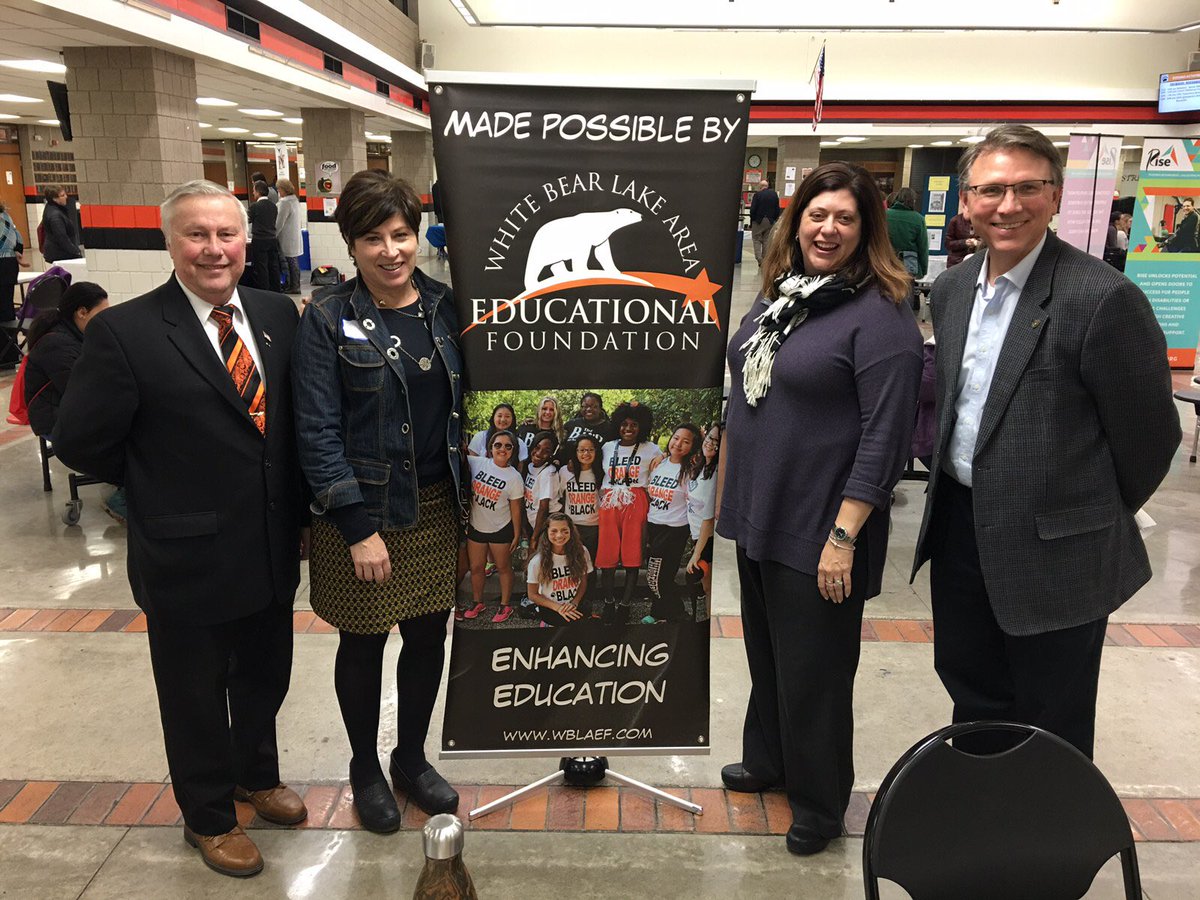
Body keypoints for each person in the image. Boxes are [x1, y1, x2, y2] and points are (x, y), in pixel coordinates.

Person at [52, 180, 308, 878]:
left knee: (265, 675)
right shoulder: (125, 331)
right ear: (170, 242)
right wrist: (155, 480)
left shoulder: (276, 315)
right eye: (197, 235)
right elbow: (81, 440)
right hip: (184, 551)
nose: (214, 249)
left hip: (270, 542)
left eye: (226, 234)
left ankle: (256, 774)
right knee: (194, 691)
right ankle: (208, 815)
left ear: (246, 240)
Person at [911, 125, 1181, 761]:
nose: (1008, 206)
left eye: (1027, 188)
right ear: (967, 201)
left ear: (1056, 196)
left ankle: (1047, 856)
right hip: (959, 526)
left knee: (1049, 715)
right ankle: (985, 830)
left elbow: (1150, 437)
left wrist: (1080, 511)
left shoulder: (1102, 298)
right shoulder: (952, 289)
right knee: (973, 693)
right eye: (992, 190)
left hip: (1057, 550)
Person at [718, 161, 923, 856]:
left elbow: (884, 442)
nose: (827, 228)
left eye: (844, 218)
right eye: (816, 213)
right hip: (761, 513)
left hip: (822, 526)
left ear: (867, 231)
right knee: (771, 657)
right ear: (795, 219)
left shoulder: (881, 315)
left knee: (816, 676)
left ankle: (820, 801)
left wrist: (842, 538)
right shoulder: (783, 296)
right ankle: (772, 760)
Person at [293, 169, 464, 835]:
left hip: (437, 505)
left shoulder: (446, 306)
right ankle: (365, 766)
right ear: (351, 244)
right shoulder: (329, 318)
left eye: (402, 235)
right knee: (362, 642)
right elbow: (316, 428)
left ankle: (411, 759)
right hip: (359, 516)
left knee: (426, 638)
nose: (391, 251)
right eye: (373, 239)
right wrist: (357, 527)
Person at [22, 282, 127, 521]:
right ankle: (121, 495)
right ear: (81, 312)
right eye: (102, 314)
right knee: (135, 427)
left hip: (68, 406)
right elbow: (82, 392)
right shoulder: (57, 344)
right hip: (55, 416)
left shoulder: (72, 334)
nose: (106, 321)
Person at [595, 401, 662, 624]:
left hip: (635, 500)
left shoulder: (651, 448)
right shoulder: (607, 446)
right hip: (610, 501)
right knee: (607, 555)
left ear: (642, 426)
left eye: (634, 424)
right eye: (624, 424)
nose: (629, 428)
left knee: (633, 556)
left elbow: (664, 468)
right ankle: (608, 602)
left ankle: (624, 605)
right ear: (617, 425)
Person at [463, 429, 524, 623]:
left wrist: (516, 534)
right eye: (498, 445)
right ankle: (477, 602)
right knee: (477, 567)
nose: (502, 449)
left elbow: (516, 509)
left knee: (503, 567)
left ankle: (505, 606)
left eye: (508, 446)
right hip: (476, 526)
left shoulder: (514, 477)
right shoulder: (477, 463)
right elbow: (457, 457)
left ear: (513, 450)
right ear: (490, 447)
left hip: (501, 528)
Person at [643, 423, 702, 624]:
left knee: (656, 576)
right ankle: (659, 613)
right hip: (653, 525)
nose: (678, 444)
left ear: (692, 446)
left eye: (686, 441)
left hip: (675, 529)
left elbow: (695, 502)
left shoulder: (691, 471)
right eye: (676, 438)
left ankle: (678, 615)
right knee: (660, 574)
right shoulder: (659, 463)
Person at [554, 435, 604, 614]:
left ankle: (586, 604)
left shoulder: (600, 473)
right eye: (582, 450)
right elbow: (559, 496)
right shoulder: (565, 472)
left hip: (594, 527)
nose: (586, 453)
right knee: (570, 565)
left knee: (590, 568)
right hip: (571, 528)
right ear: (575, 452)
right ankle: (569, 602)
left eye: (590, 449)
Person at [527, 513, 593, 627]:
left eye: (564, 530)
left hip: (575, 605)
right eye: (554, 531)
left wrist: (574, 602)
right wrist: (558, 608)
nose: (559, 535)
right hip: (551, 608)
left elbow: (583, 581)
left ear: (571, 531)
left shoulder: (582, 552)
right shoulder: (537, 561)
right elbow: (532, 594)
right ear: (546, 532)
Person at [684, 422, 722, 614]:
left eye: (717, 441)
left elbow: (708, 520)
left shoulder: (716, 474)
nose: (711, 443)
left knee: (709, 590)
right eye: (709, 438)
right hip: (696, 535)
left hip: (707, 539)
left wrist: (696, 554)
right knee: (706, 588)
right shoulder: (699, 467)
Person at [522, 430, 561, 547]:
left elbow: (543, 508)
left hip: (546, 523)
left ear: (551, 454)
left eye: (546, 451)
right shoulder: (529, 467)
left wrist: (534, 537)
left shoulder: (548, 473)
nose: (539, 453)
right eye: (537, 447)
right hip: (534, 523)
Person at [0, 200, 27, 360]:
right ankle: (10, 354)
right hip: (9, 266)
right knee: (7, 309)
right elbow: (19, 240)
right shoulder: (6, 216)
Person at [886, 186, 929, 287]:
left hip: (887, 262)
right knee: (906, 295)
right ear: (913, 201)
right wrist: (922, 269)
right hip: (909, 265)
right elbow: (923, 247)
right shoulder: (918, 219)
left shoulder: (885, 215)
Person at [248, 180, 282, 292]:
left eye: (253, 190)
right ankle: (276, 289)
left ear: (258, 192)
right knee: (273, 266)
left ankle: (264, 290)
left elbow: (247, 220)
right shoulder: (274, 206)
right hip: (272, 239)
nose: (253, 193)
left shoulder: (255, 207)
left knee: (261, 267)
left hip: (259, 240)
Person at [275, 178, 304, 294]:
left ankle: (293, 286)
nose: (278, 192)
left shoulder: (285, 203)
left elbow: (279, 222)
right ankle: (294, 285)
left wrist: (273, 234)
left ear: (283, 189)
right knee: (294, 262)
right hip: (294, 236)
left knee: (289, 263)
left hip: (287, 238)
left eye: (279, 189)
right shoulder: (295, 201)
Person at [39, 185, 81, 263]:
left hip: (55, 251)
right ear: (54, 199)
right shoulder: (55, 215)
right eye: (62, 195)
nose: (66, 197)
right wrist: (75, 252)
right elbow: (61, 237)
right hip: (59, 253)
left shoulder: (51, 208)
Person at [749, 181, 781, 267]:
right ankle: (765, 259)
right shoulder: (774, 195)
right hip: (770, 221)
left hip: (758, 220)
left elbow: (753, 209)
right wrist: (774, 219)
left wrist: (752, 220)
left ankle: (759, 259)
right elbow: (777, 209)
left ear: (760, 186)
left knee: (756, 239)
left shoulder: (757, 195)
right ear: (767, 186)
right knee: (766, 240)